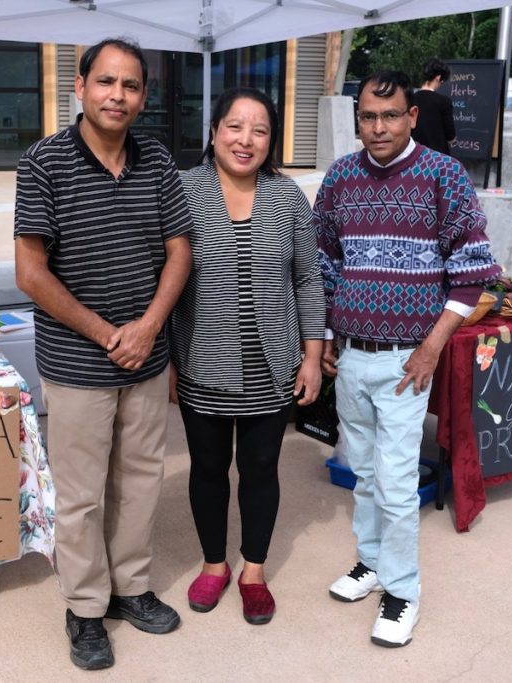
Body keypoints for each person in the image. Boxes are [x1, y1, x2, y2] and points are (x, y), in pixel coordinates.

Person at [13, 37, 193, 671]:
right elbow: (31, 271)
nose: (118, 95)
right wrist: (105, 332)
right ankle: (86, 607)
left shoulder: (157, 163)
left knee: (141, 481)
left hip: (145, 357)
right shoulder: (44, 162)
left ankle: (131, 588)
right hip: (77, 363)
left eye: (132, 85)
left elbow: (179, 251)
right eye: (107, 82)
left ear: (144, 96)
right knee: (83, 493)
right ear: (81, 85)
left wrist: (146, 329)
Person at [314, 71, 500, 648]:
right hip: (350, 359)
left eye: (390, 116)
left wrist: (431, 347)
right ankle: (370, 564)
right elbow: (324, 265)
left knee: (395, 483)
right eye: (368, 117)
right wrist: (323, 338)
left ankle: (402, 592)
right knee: (365, 475)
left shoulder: (444, 176)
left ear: (412, 116)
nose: (378, 128)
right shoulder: (341, 177)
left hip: (405, 362)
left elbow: (472, 276)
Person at [170, 87, 324, 626]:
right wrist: (167, 360)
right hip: (201, 360)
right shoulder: (182, 191)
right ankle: (215, 563)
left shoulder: (288, 199)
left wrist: (312, 355)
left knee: (261, 468)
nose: (246, 139)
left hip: (271, 363)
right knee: (208, 469)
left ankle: (252, 570)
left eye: (259, 130)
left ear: (270, 141)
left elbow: (308, 280)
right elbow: (163, 282)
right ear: (213, 132)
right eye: (235, 126)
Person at [411, 58, 456, 156]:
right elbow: (450, 136)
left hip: (414, 155)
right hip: (437, 158)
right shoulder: (444, 101)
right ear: (438, 77)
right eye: (442, 80)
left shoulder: (409, 99)